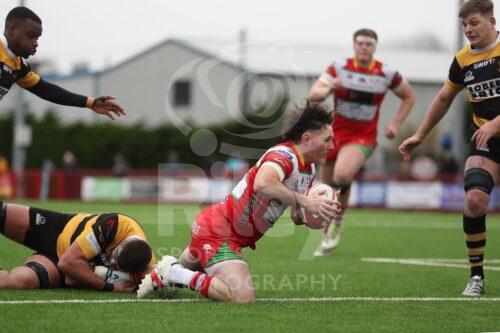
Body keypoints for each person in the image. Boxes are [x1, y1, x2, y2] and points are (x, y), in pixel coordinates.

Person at [138, 101, 342, 303]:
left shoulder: (310, 168)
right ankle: (174, 273)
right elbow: (262, 183)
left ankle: (172, 271)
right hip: (219, 231)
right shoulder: (284, 155)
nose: (332, 146)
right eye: (327, 139)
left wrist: (320, 208)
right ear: (307, 138)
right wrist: (306, 200)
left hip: (227, 233)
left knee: (177, 275)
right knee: (241, 297)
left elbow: (296, 215)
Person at [399, 0, 498, 296]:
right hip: (486, 140)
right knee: (475, 200)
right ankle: (476, 277)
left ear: (492, 22)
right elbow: (443, 99)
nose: (468, 30)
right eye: (464, 25)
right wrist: (419, 134)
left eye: (474, 23)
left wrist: (496, 123)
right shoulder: (463, 59)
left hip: (491, 130)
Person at [308, 28, 415, 256]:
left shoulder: (386, 73)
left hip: (362, 136)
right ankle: (330, 229)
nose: (364, 47)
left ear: (374, 47)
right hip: (333, 135)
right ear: (354, 45)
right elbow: (314, 94)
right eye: (360, 43)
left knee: (343, 175)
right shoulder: (339, 67)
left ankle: (337, 224)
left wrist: (395, 124)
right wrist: (328, 87)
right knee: (328, 188)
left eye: (368, 44)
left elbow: (409, 96)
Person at [1, 7, 125, 120]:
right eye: (31, 36)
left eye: (37, 38)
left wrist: (91, 103)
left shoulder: (20, 66)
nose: (35, 43)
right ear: (12, 30)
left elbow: (46, 90)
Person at [0, 201, 156, 292]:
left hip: (58, 265)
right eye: (113, 256)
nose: (112, 263)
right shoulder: (115, 225)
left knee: (17, 282)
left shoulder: (143, 265)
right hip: (57, 229)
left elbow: (67, 268)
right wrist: (109, 288)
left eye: (117, 266)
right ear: (122, 242)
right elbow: (69, 263)